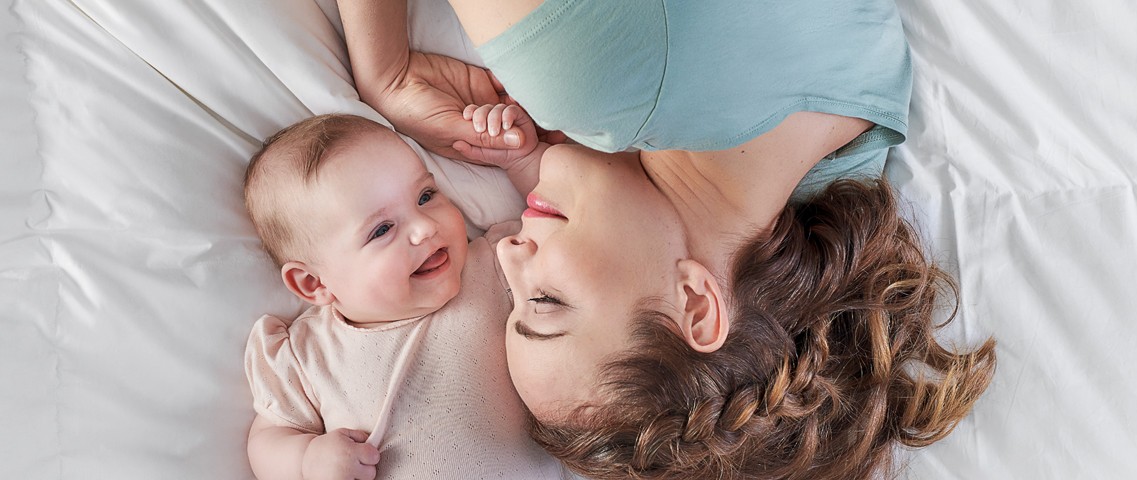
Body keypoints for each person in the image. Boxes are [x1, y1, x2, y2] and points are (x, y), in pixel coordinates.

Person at [338, 0, 998, 478]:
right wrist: (385, 71)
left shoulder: (846, 148)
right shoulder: (591, 78)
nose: (507, 254)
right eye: (545, 304)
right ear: (696, 303)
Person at [241, 113, 564, 480]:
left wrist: (523, 158)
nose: (425, 227)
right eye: (382, 230)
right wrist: (306, 460)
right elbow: (267, 437)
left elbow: (563, 219)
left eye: (426, 196)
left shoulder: (495, 262)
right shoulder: (308, 354)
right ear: (314, 283)